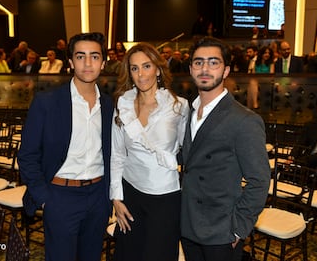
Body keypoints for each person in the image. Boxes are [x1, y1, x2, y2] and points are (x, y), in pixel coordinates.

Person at [18, 32, 114, 261]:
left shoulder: (110, 104)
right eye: (81, 56)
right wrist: (44, 196)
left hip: (98, 195)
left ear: (103, 62)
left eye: (94, 56)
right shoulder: (47, 102)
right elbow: (28, 155)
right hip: (60, 195)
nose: (88, 63)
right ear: (71, 62)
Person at [180, 37, 270, 261]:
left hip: (221, 230)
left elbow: (259, 180)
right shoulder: (186, 112)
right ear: (191, 69)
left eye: (213, 62)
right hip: (188, 224)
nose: (205, 69)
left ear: (226, 70)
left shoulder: (244, 120)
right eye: (199, 62)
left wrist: (238, 228)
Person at [110, 42, 189, 261]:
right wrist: (116, 199)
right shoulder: (122, 105)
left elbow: (187, 151)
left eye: (146, 66)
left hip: (165, 197)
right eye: (134, 68)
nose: (141, 74)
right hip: (130, 193)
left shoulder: (179, 106)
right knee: (129, 255)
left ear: (158, 69)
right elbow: (117, 155)